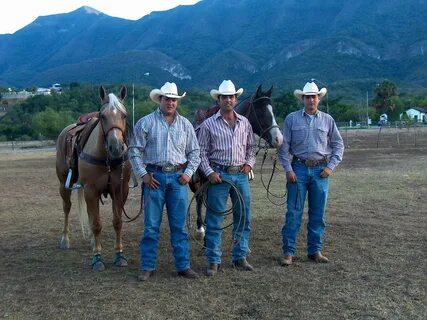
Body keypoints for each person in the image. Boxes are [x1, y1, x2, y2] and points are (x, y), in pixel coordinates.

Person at [129, 82, 201, 281]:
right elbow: (134, 150)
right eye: (167, 99)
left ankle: (183, 265)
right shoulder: (146, 123)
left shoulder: (185, 124)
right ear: (160, 100)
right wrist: (143, 174)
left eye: (174, 99)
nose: (171, 102)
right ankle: (147, 266)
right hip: (154, 177)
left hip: (178, 178)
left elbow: (195, 152)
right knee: (151, 226)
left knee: (179, 226)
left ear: (177, 102)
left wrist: (188, 173)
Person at [278, 81, 344, 266]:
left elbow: (338, 145)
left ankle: (315, 250)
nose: (311, 99)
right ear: (303, 99)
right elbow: (284, 148)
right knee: (293, 212)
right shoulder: (291, 119)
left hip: (320, 170)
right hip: (298, 168)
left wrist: (330, 166)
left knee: (318, 213)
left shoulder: (328, 120)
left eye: (314, 96)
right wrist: (289, 170)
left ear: (319, 99)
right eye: (308, 96)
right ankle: (288, 252)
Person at [197, 80, 256, 276]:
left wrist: (249, 164)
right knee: (214, 219)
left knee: (243, 217)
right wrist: (209, 172)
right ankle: (214, 259)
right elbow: (201, 153)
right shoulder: (208, 125)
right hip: (219, 176)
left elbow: (251, 149)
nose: (228, 100)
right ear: (219, 99)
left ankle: (240, 256)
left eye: (231, 97)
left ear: (236, 99)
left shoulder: (245, 123)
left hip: (240, 174)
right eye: (224, 97)